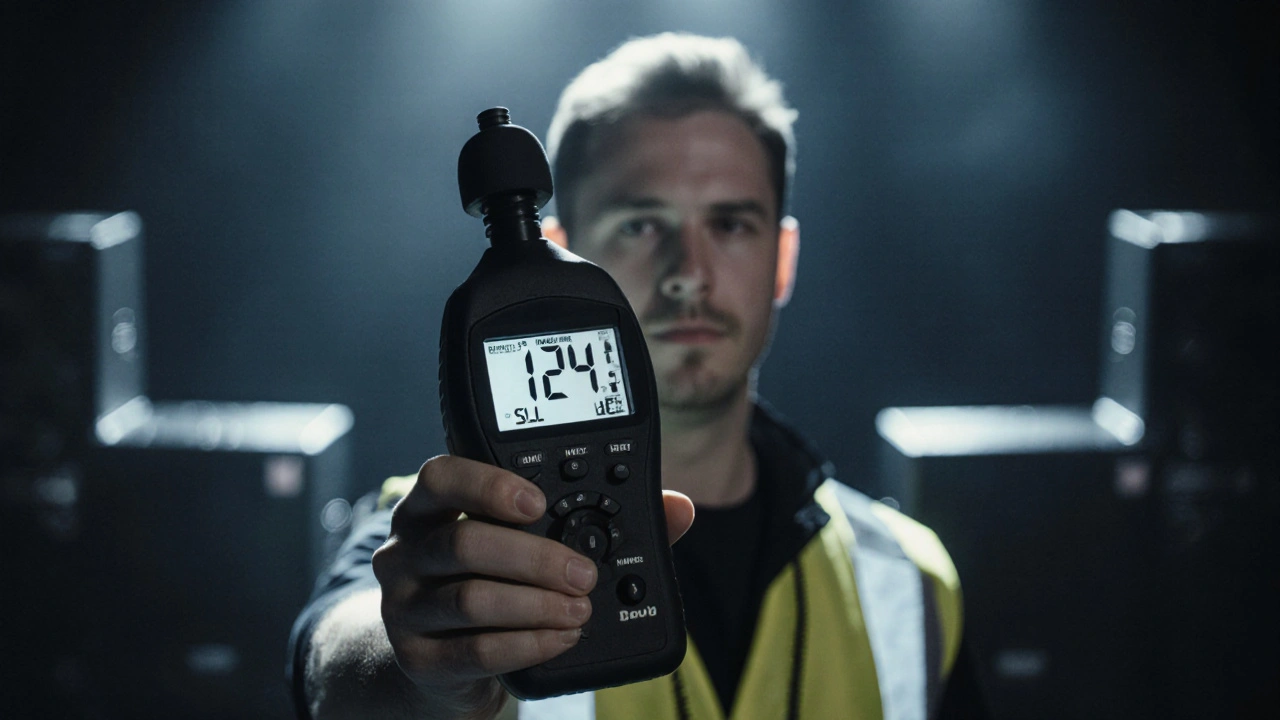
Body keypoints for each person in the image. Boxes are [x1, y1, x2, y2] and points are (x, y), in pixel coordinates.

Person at [289, 32, 978, 720]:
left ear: (783, 257)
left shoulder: (910, 582)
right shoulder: (442, 535)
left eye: (732, 224)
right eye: (642, 225)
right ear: (556, 252)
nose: (689, 274)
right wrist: (417, 667)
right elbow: (335, 660)